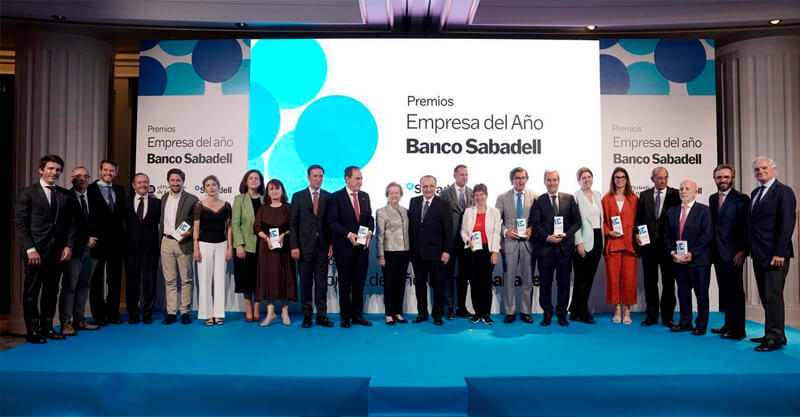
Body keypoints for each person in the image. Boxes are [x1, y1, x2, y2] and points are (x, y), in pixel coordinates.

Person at [14, 154, 76, 343]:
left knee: (51, 292)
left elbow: (71, 223)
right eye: (50, 168)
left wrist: (68, 245)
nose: (54, 172)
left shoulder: (65, 194)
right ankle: (32, 331)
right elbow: (20, 223)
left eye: (57, 170)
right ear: (41, 170)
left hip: (57, 252)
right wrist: (30, 248)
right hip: (35, 252)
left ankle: (47, 327)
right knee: (32, 292)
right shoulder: (27, 193)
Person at [748, 156, 796, 351]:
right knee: (767, 296)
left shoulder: (784, 192)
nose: (761, 172)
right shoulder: (755, 193)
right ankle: (775, 333)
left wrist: (779, 252)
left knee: (773, 297)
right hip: (758, 253)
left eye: (764, 168)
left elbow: (787, 224)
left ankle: (774, 338)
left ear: (774, 170)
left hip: (775, 255)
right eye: (757, 170)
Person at [530, 170, 581, 326]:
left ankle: (561, 314)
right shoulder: (539, 201)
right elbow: (536, 224)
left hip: (564, 250)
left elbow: (577, 222)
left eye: (554, 180)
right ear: (544, 182)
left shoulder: (569, 198)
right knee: (545, 284)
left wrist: (566, 234)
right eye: (548, 180)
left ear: (559, 181)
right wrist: (547, 237)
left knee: (563, 284)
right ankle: (547, 313)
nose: (551, 183)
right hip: (545, 250)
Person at [327, 166, 374, 328]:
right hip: (344, 249)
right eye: (357, 178)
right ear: (347, 179)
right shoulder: (336, 197)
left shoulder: (365, 196)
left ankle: (357, 316)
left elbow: (369, 218)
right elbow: (332, 221)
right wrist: (348, 235)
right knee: (345, 284)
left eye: (361, 178)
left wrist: (370, 231)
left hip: (362, 249)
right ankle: (345, 317)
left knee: (359, 283)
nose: (360, 182)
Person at [664, 180, 712, 335]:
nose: (683, 191)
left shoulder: (704, 211)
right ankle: (685, 322)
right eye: (681, 189)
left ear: (695, 192)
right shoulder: (671, 211)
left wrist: (693, 253)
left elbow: (707, 235)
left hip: (699, 261)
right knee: (683, 293)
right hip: (678, 260)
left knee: (701, 294)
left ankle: (701, 325)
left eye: (687, 188)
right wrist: (672, 253)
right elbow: (666, 235)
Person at [635, 166, 680, 327]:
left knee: (669, 282)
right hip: (649, 247)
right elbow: (639, 219)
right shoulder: (644, 195)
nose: (662, 180)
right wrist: (637, 234)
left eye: (665, 177)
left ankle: (668, 317)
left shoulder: (676, 195)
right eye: (659, 178)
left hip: (669, 247)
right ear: (652, 179)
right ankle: (651, 316)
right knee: (650, 282)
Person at [290, 165, 334, 328]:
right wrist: (294, 246)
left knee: (322, 283)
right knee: (306, 283)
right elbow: (293, 223)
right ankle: (307, 316)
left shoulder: (329, 197)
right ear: (308, 177)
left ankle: (322, 315)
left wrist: (331, 244)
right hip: (303, 247)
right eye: (315, 176)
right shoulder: (298, 196)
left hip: (323, 247)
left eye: (321, 176)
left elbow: (331, 224)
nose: (318, 179)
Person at [709, 164, 750, 340]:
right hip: (717, 253)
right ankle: (728, 324)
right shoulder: (712, 198)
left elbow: (746, 227)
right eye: (719, 177)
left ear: (732, 178)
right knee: (725, 291)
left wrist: (743, 250)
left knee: (736, 292)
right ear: (715, 179)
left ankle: (738, 330)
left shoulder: (742, 199)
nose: (722, 180)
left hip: (734, 253)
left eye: (726, 177)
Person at [58, 166, 99, 335]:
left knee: (84, 285)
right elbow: (67, 226)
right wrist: (84, 240)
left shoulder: (93, 198)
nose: (83, 178)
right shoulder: (65, 198)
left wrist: (95, 239)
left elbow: (99, 222)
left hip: (92, 251)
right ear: (71, 179)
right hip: (74, 250)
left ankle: (79, 319)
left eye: (85, 176)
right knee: (70, 287)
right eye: (78, 176)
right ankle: (65, 323)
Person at [409, 175, 453, 326]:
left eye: (431, 186)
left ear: (435, 187)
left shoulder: (443, 204)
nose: (428, 189)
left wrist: (447, 251)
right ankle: (422, 313)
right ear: (420, 187)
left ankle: (437, 315)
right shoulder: (413, 202)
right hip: (417, 253)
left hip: (436, 253)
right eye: (425, 186)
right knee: (420, 286)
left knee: (438, 286)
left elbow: (448, 230)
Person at [495, 167, 537, 324]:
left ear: (527, 179)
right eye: (517, 178)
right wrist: (505, 231)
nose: (520, 180)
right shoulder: (502, 197)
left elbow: (538, 219)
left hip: (528, 243)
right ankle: (510, 311)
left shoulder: (536, 197)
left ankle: (526, 311)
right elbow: (495, 220)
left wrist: (531, 229)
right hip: (510, 243)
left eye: (523, 177)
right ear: (512, 180)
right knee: (509, 279)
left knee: (528, 279)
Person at [87, 159, 125, 325]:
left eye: (112, 171)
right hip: (96, 242)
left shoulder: (120, 190)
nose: (109, 173)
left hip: (116, 242)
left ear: (115, 173)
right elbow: (85, 215)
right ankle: (99, 315)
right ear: (100, 171)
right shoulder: (90, 190)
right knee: (96, 279)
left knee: (115, 279)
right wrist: (87, 236)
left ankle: (113, 313)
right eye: (106, 170)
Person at [158, 168, 199, 325]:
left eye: (178, 180)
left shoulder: (192, 199)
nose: (175, 183)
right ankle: (171, 312)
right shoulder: (163, 198)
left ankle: (185, 312)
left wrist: (189, 233)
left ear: (183, 181)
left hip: (184, 243)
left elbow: (196, 221)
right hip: (166, 242)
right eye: (172, 180)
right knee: (170, 280)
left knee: (186, 279)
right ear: (168, 181)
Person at [254, 179, 297, 326]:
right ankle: (270, 312)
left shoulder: (288, 208)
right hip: (267, 249)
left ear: (282, 191)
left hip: (284, 248)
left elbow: (294, 227)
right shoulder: (263, 209)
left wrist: (284, 235)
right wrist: (266, 238)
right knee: (269, 280)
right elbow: (257, 227)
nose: (274, 192)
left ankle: (285, 312)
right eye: (271, 189)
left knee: (284, 278)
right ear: (268, 192)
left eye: (277, 189)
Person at [601, 167, 639, 325]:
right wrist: (609, 232)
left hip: (630, 245)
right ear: (613, 179)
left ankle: (627, 309)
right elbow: (601, 222)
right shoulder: (606, 199)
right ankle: (617, 308)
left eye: (623, 177)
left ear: (627, 179)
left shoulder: (634, 198)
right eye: (617, 177)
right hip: (613, 244)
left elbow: (639, 220)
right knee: (613, 278)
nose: (620, 180)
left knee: (629, 279)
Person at [193, 175, 232, 326]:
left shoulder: (226, 205)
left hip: (221, 244)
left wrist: (230, 247)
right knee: (205, 280)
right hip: (204, 245)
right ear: (204, 188)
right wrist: (195, 247)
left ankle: (218, 314)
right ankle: (206, 314)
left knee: (220, 280)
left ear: (218, 187)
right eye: (208, 185)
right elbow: (196, 228)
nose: (211, 187)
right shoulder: (199, 205)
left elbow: (229, 228)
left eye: (214, 185)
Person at [122, 173, 161, 324]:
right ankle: (133, 313)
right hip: (130, 249)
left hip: (150, 249)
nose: (143, 185)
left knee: (149, 283)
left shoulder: (157, 203)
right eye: (139, 182)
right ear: (133, 185)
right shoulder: (125, 202)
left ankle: (147, 313)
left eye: (145, 182)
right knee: (132, 282)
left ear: (149, 184)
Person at [460, 184, 501, 325]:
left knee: (486, 282)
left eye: (481, 194)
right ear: (473, 197)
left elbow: (496, 233)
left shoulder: (494, 212)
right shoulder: (468, 212)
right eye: (476, 195)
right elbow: (463, 231)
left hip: (487, 251)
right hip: (472, 251)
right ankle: (477, 312)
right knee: (475, 282)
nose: (479, 197)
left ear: (486, 195)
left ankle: (486, 313)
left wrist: (495, 251)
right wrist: (468, 241)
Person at [439, 164, 474, 319]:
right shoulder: (445, 193)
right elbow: (440, 218)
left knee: (464, 275)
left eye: (466, 175)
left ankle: (461, 307)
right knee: (448, 275)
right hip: (450, 240)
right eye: (461, 175)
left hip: (466, 241)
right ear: (454, 176)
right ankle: (449, 308)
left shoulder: (472, 193)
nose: (464, 177)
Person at [569, 167, 604, 324]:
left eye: (589, 177)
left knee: (589, 278)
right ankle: (583, 311)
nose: (587, 180)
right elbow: (575, 222)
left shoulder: (597, 195)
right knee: (581, 278)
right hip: (583, 240)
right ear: (579, 180)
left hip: (597, 239)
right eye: (583, 177)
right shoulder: (575, 197)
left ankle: (575, 310)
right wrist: (579, 243)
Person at [376, 182, 410, 325]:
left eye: (397, 193)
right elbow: (380, 235)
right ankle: (389, 314)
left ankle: (398, 312)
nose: (394, 195)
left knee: (400, 284)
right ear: (387, 195)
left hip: (404, 252)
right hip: (389, 252)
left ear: (401, 194)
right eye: (391, 193)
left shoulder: (405, 210)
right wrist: (381, 255)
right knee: (389, 284)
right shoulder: (381, 211)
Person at [232, 169, 263, 322]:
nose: (253, 180)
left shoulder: (266, 199)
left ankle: (257, 307)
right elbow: (235, 224)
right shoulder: (239, 199)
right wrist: (239, 244)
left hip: (263, 245)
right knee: (246, 278)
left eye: (256, 178)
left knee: (260, 277)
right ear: (246, 181)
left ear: (261, 181)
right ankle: (248, 308)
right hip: (244, 245)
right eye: (250, 178)